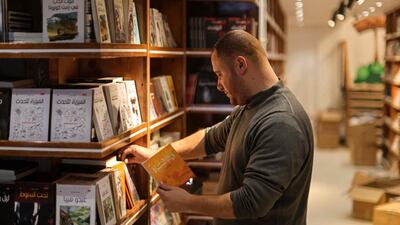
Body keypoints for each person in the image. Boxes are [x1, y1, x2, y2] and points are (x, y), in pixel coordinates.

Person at [121, 30, 314, 225]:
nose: (218, 85)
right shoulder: (250, 106)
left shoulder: (281, 123)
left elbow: (251, 202)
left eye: (220, 74)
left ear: (240, 65)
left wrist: (189, 203)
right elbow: (209, 138)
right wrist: (156, 156)